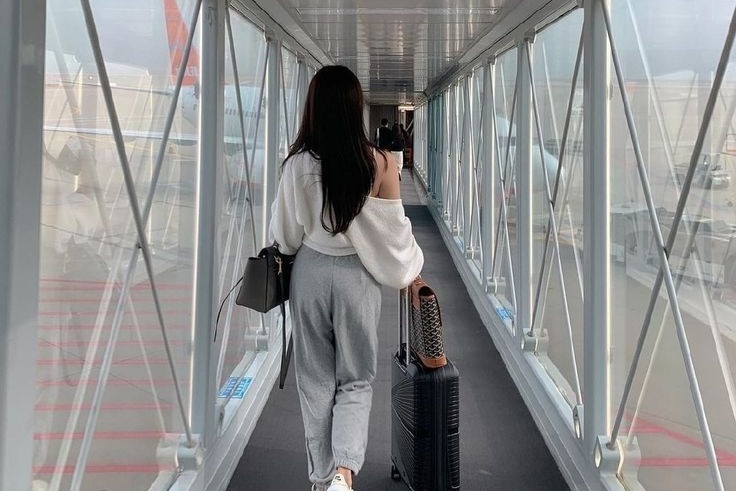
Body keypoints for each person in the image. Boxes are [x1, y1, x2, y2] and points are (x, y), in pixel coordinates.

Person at [269, 65, 424, 491]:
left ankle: (322, 478)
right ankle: (344, 472)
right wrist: (411, 268)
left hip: (311, 274)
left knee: (315, 381)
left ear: (314, 107)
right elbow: (395, 233)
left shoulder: (297, 165)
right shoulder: (380, 163)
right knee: (356, 378)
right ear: (357, 108)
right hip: (358, 278)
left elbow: (285, 236)